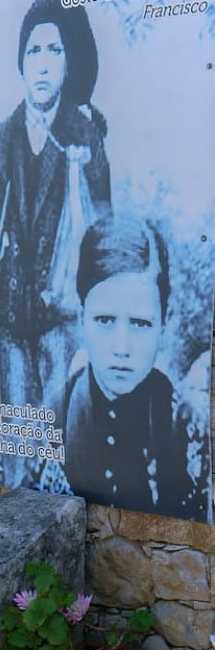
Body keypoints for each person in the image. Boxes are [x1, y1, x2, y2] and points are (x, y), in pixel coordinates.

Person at [0, 0, 112, 482]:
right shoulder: (1, 141)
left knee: (64, 454)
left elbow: (105, 237)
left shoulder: (86, 135)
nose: (42, 62)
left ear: (67, 63)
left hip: (64, 326)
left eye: (54, 50)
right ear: (21, 62)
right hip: (16, 325)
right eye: (33, 50)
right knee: (22, 453)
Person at [49, 219, 208, 520]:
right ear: (82, 318)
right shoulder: (52, 419)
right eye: (105, 320)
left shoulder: (188, 428)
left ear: (164, 322)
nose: (122, 347)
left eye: (140, 323)